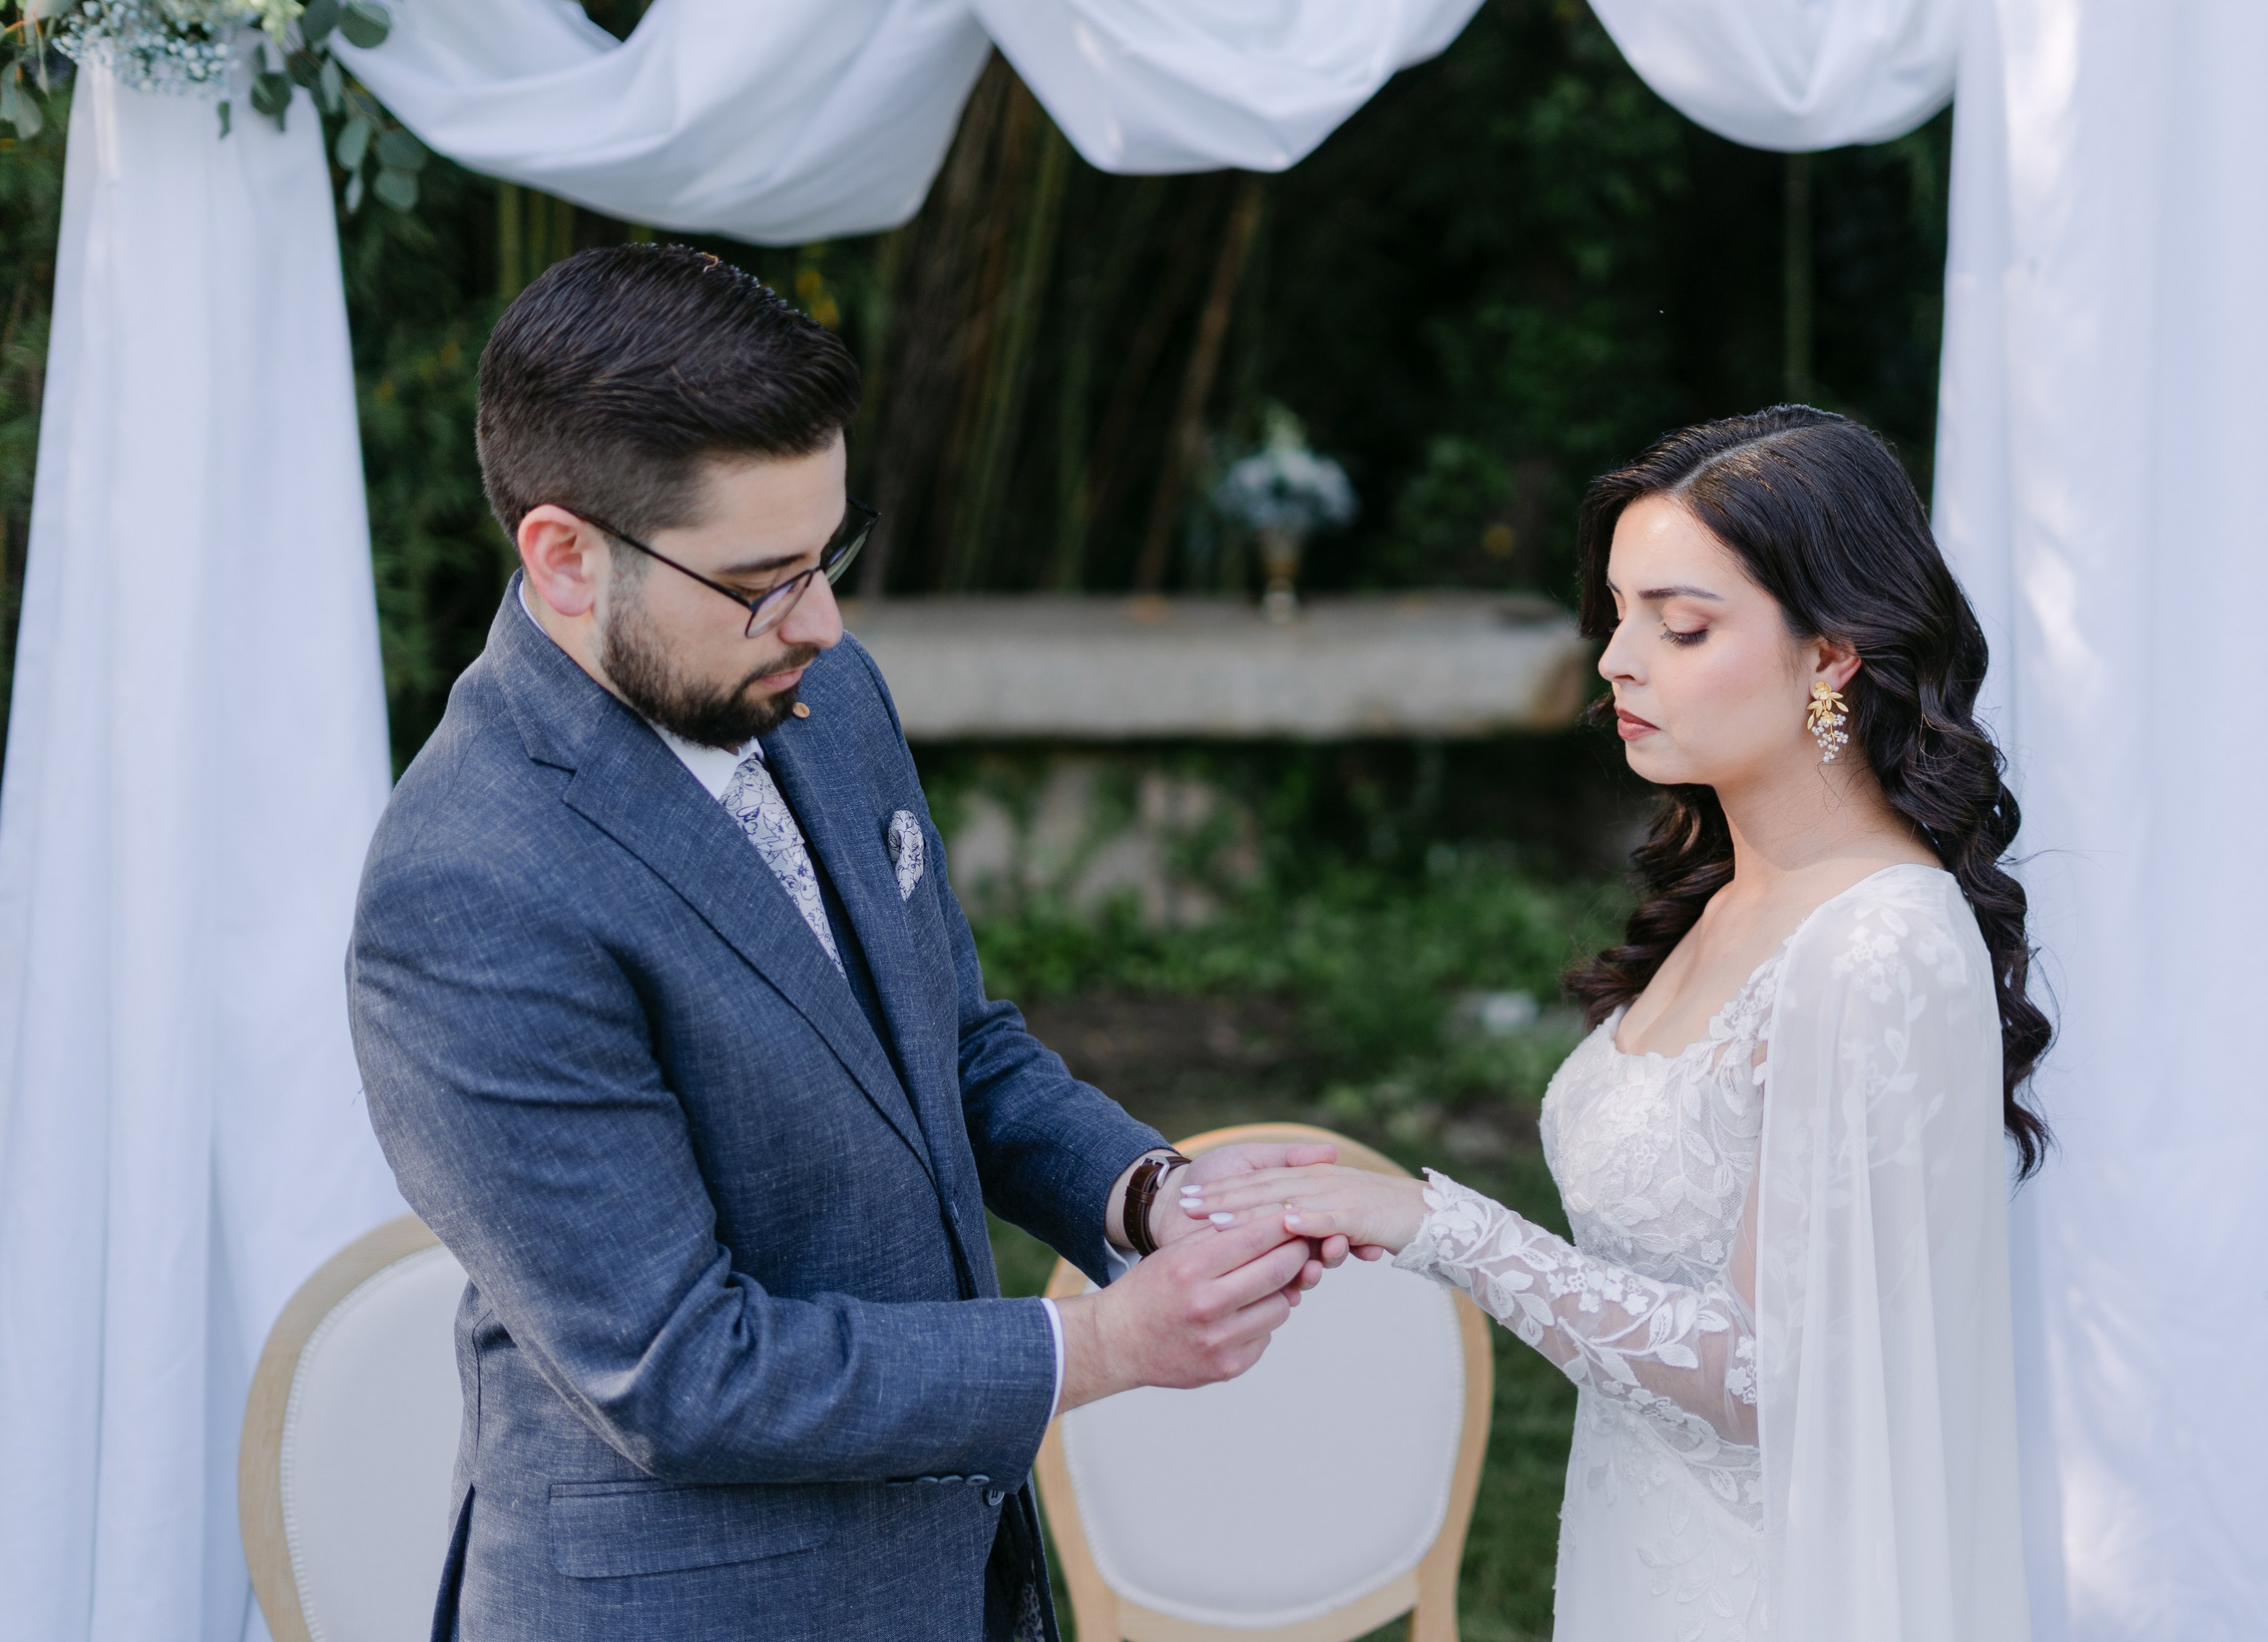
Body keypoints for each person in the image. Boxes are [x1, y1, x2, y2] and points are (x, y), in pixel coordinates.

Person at [347, 243, 1348, 1642]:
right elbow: (681, 1367)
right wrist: (1101, 1345)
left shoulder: (820, 688)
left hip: (944, 1578)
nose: (821, 618)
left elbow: (953, 1045)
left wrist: (1143, 1192)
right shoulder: (470, 884)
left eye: (830, 552)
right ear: (565, 557)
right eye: (762, 578)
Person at [1188, 407, 2049, 1642]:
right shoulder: (1731, 894)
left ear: (1835, 654)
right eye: (1620, 613)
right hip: (1639, 1552)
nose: (1617, 659)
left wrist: (1437, 1226)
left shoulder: (1877, 945)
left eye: (1681, 624)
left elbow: (1768, 1379)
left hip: (1775, 1591)